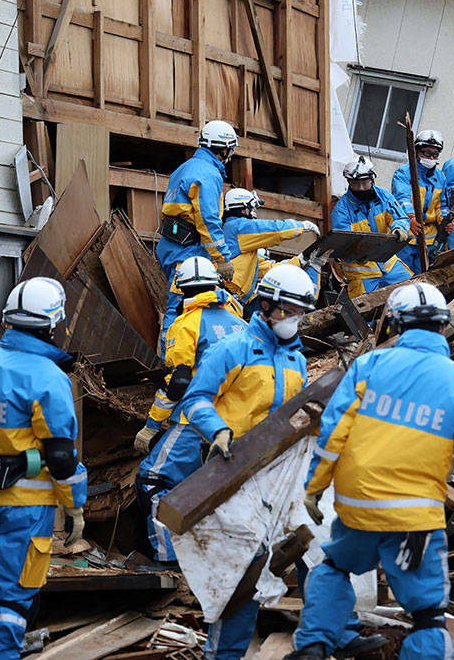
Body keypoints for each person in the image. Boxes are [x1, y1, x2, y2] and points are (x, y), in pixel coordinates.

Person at [285, 281, 454, 660]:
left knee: (336, 567)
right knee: (427, 614)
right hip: (415, 518)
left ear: (395, 326)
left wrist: (313, 488)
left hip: (359, 505)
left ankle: (313, 647)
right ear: (443, 327)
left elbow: (334, 433)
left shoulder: (368, 367)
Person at [178, 266, 381, 659]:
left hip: (280, 472)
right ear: (266, 302)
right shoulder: (233, 348)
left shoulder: (295, 357)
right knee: (244, 569)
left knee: (315, 542)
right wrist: (217, 430)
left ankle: (337, 633)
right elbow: (196, 398)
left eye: (301, 311)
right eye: (289, 309)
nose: (294, 319)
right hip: (233, 473)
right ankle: (224, 656)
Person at [0, 277, 88, 660]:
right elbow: (60, 457)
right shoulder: (48, 378)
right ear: (52, 325)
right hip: (23, 510)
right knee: (9, 600)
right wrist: (74, 506)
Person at [134, 256, 248, 564]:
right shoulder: (242, 323)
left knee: (152, 480)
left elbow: (179, 383)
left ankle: (167, 560)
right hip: (235, 424)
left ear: (181, 289)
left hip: (193, 421)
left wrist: (151, 425)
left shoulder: (185, 324)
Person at [158, 119, 238, 301]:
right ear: (224, 149)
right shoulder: (209, 174)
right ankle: (171, 331)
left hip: (171, 245)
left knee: (187, 301)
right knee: (182, 304)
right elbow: (208, 220)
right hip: (187, 250)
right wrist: (223, 258)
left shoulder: (184, 168)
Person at [220, 188, 326, 316]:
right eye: (253, 208)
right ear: (244, 208)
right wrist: (301, 226)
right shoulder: (236, 227)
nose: (254, 213)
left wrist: (299, 260)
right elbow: (273, 230)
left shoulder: (243, 247)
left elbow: (269, 269)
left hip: (235, 301)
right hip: (228, 300)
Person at [333, 157, 414, 297]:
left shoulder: (384, 196)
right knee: (363, 312)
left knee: (412, 292)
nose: (361, 188)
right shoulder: (341, 210)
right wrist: (355, 254)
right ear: (348, 182)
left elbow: (399, 217)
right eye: (355, 184)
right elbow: (343, 243)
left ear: (372, 179)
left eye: (365, 183)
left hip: (388, 264)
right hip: (361, 272)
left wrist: (399, 228)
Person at [391, 130, 453, 271]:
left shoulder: (440, 177)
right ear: (417, 151)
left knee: (423, 277)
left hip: (428, 240)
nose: (431, 158)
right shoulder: (404, 173)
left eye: (435, 154)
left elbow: (443, 205)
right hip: (406, 236)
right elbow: (402, 198)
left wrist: (444, 220)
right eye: (427, 153)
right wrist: (411, 217)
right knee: (402, 276)